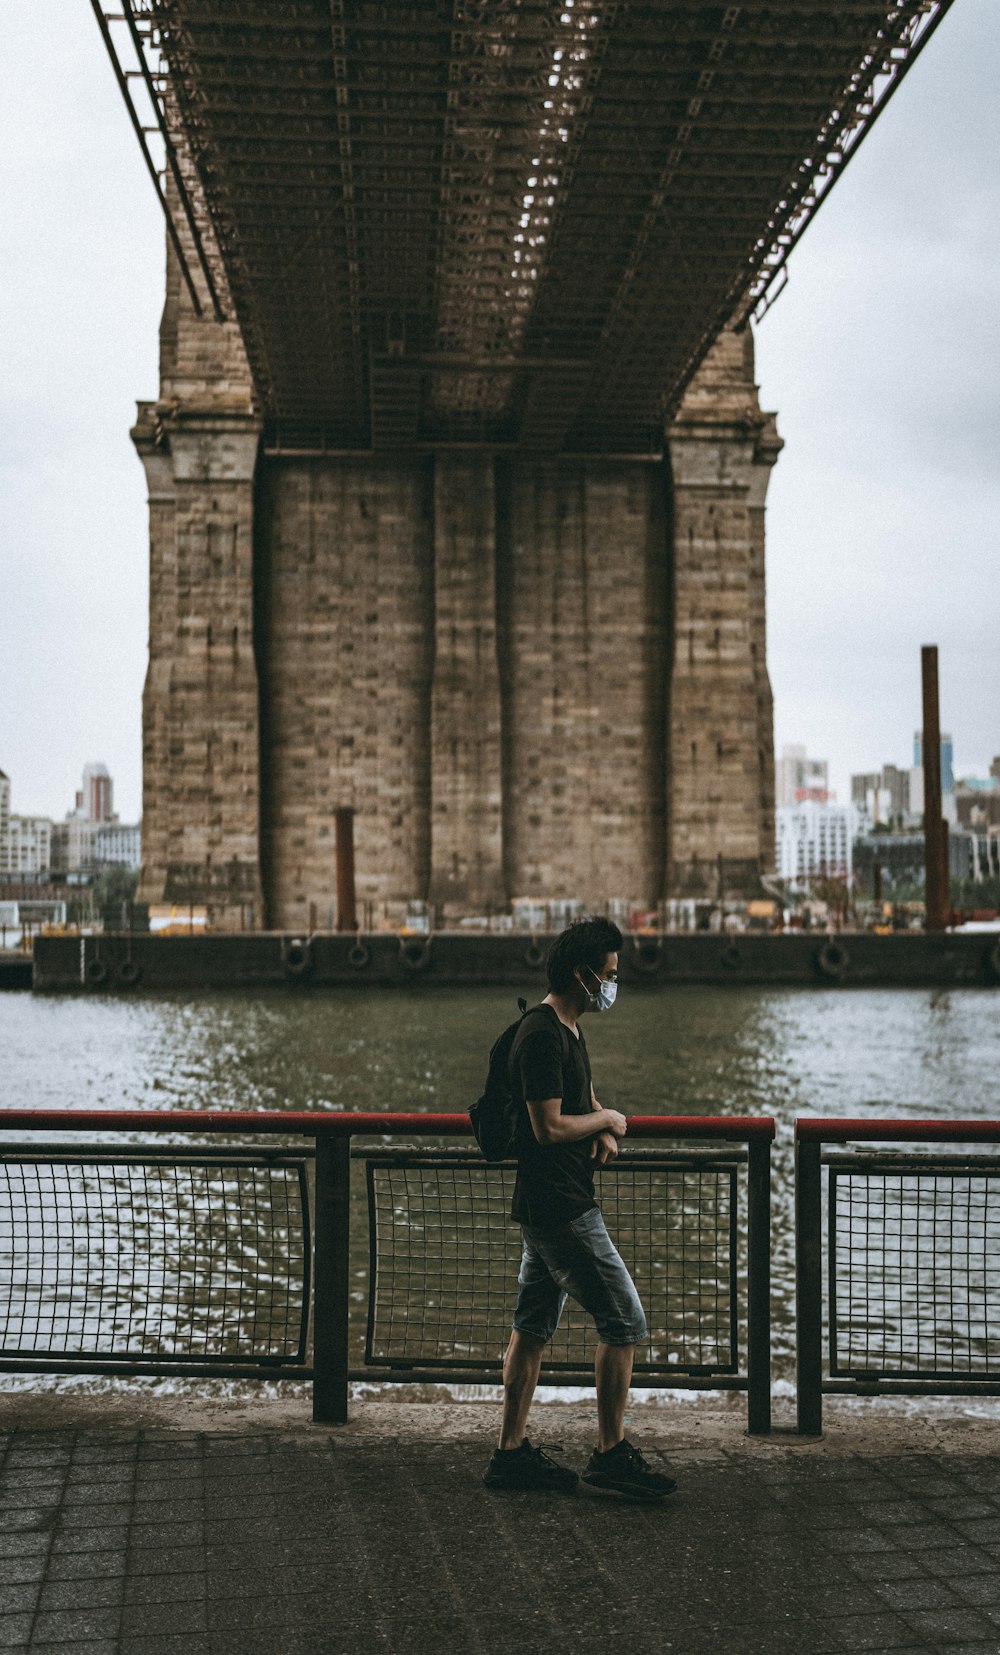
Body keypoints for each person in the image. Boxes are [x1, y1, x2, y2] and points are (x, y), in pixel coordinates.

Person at [483, 916, 677, 1500]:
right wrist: (610, 1121)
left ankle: (509, 1454)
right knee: (624, 1320)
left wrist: (597, 1120)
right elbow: (546, 1126)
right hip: (561, 1208)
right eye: (609, 975)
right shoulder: (540, 1036)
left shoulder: (568, 1028)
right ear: (581, 973)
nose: (613, 986)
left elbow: (576, 1096)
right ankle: (611, 1453)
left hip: (550, 1204)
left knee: (532, 1327)